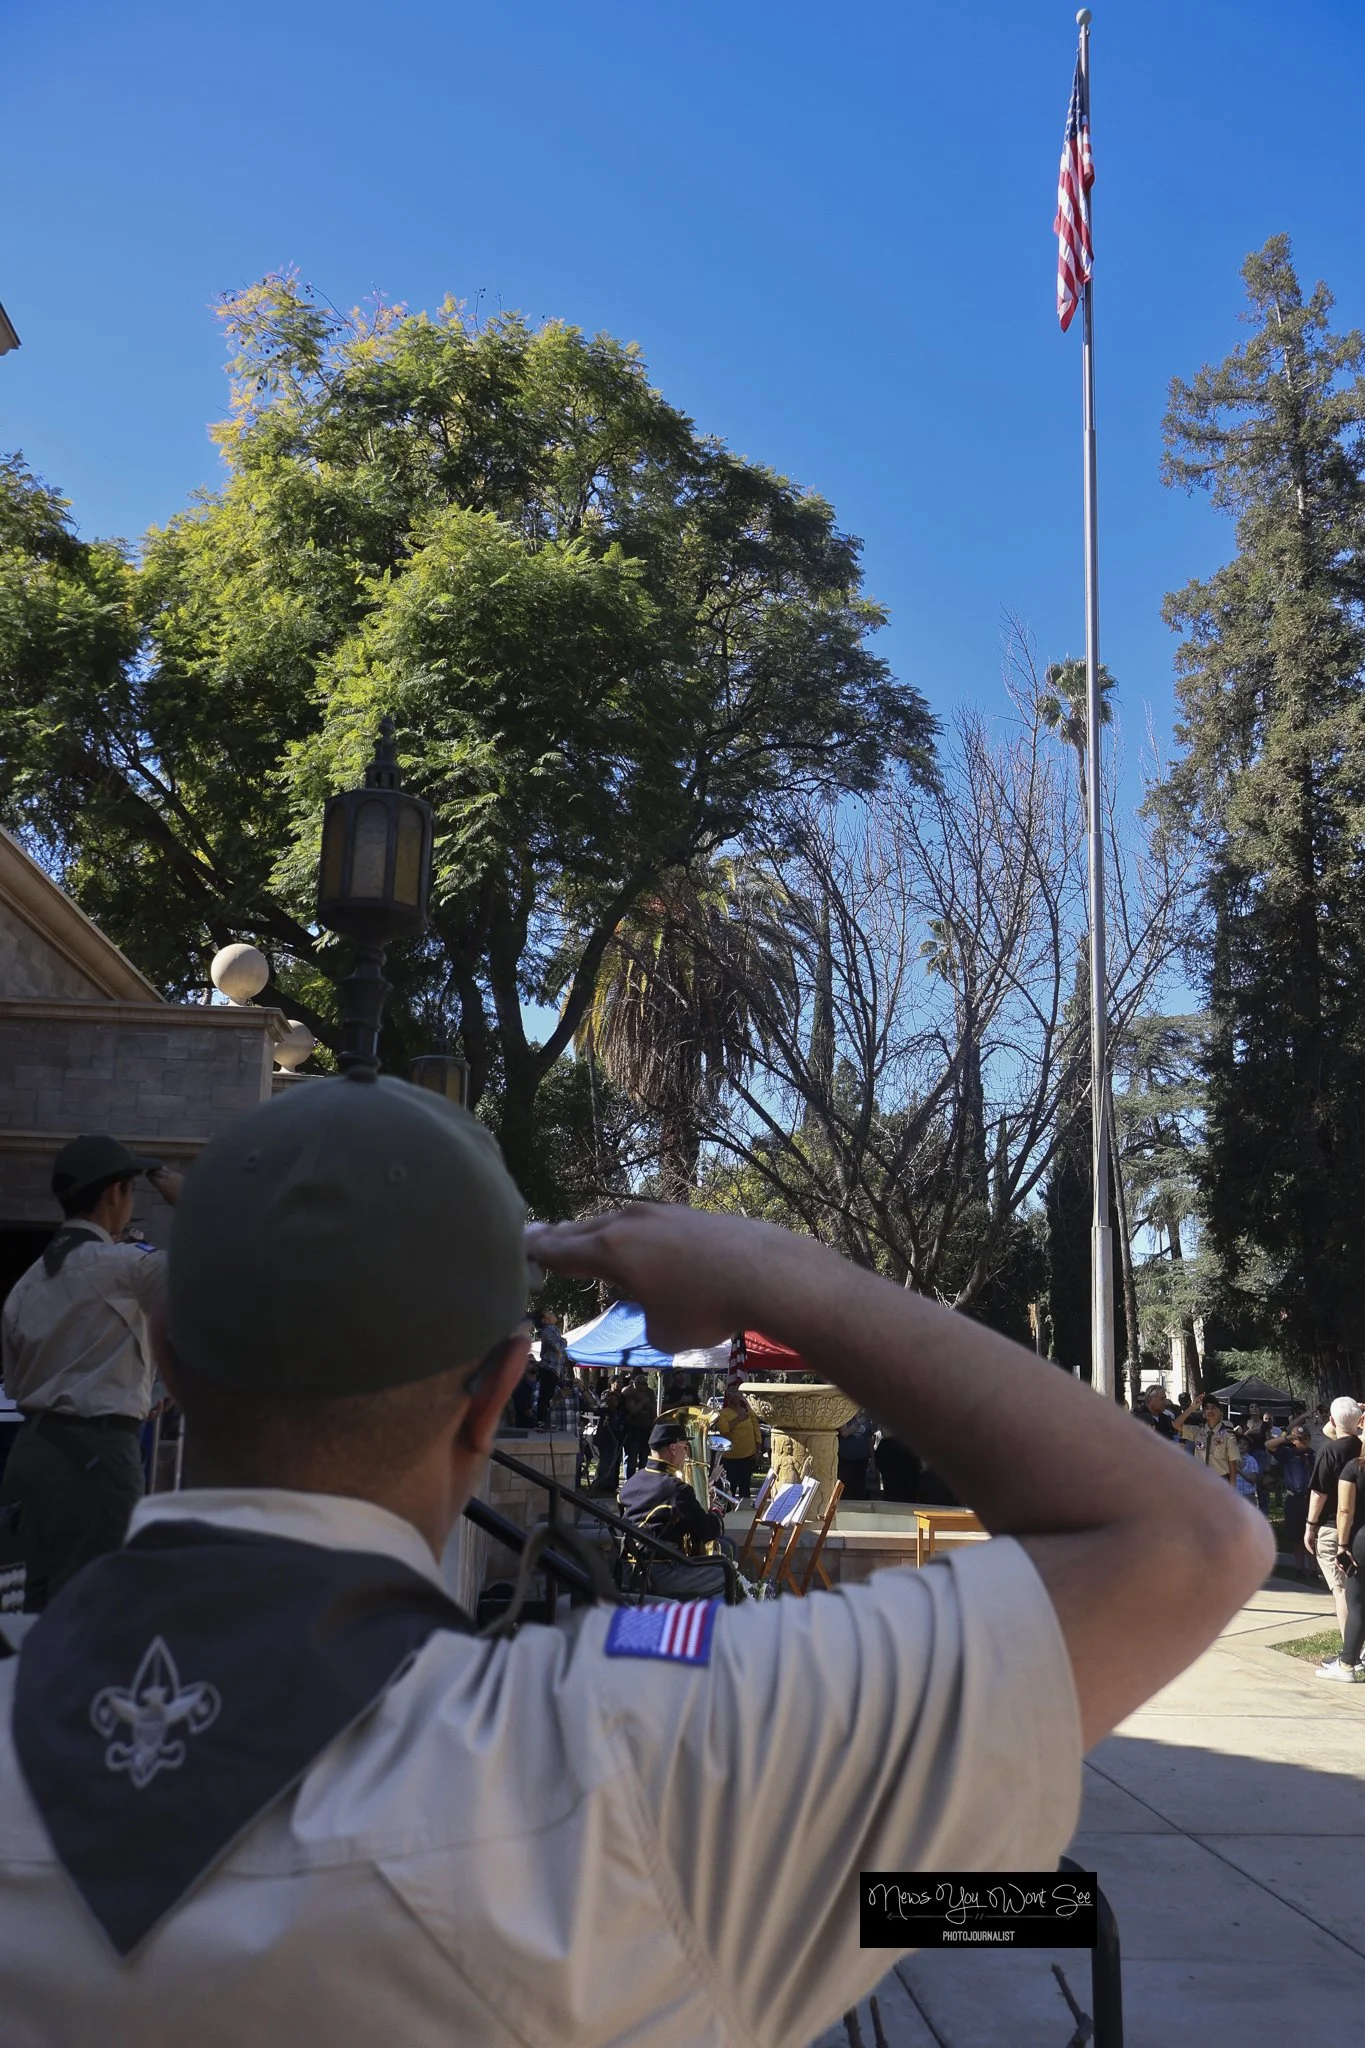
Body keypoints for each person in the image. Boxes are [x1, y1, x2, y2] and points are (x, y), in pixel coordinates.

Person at [0, 1076, 1270, 2044]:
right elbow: (1191, 1540)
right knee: (1052, 1904)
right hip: (863, 1871)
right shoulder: (648, 1757)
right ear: (498, 1394)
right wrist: (779, 1268)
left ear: (161, 1363)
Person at [0, 1135, 182, 1609]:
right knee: (96, 1611)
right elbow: (215, 1275)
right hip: (98, 1453)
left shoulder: (28, 1282)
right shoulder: (123, 1266)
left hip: (30, 1452)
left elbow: (17, 1384)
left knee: (21, 1613)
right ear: (115, 1193)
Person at [618, 1418, 729, 1600]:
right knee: (725, 1573)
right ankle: (710, 1627)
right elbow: (708, 1531)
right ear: (673, 1448)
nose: (686, 1453)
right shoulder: (676, 1488)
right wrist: (715, 1511)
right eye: (685, 1447)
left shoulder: (632, 1481)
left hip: (627, 1568)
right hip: (658, 1572)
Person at [1305, 1397, 1363, 1638]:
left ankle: (1350, 1653)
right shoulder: (1361, 1447)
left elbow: (1319, 1494)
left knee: (1341, 1591)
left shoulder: (1329, 1451)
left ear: (1330, 1419)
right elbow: (1333, 1428)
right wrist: (1356, 1415)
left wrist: (1310, 1526)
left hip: (1332, 1528)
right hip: (1359, 1527)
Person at [1318, 1441, 1365, 1681]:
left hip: (1360, 1538)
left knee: (1357, 1602)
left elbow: (1344, 1510)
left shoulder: (1355, 1468)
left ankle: (1347, 1663)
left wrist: (1342, 1546)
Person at [1269, 1424, 1315, 1576]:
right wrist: (1286, 1438)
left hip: (1310, 1498)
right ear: (1293, 1440)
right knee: (1297, 1536)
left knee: (1312, 1535)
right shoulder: (1287, 1453)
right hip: (1294, 1497)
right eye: (1298, 1439)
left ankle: (1313, 1569)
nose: (1302, 1441)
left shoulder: (1313, 1454)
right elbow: (1268, 1445)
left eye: (1305, 1438)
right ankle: (1299, 1568)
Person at [1176, 1394, 1242, 1486]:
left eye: (1214, 1407)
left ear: (1221, 1412)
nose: (1210, 1410)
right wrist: (1192, 1407)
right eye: (1206, 1408)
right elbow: (1176, 1425)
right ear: (1203, 1413)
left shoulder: (1228, 1436)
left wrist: (1232, 1488)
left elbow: (1232, 1464)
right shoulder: (1198, 1432)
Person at [713, 1383, 761, 1502]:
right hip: (730, 1458)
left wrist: (758, 1449)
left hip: (748, 1456)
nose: (736, 1396)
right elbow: (724, 1430)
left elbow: (756, 1429)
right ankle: (728, 1511)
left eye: (738, 1393)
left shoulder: (748, 1411)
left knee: (745, 1489)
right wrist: (738, 1419)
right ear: (728, 1397)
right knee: (730, 1488)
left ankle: (744, 1513)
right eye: (733, 1393)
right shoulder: (722, 1413)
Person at [619, 1369, 655, 1476]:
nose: (643, 1386)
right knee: (631, 1458)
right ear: (634, 1382)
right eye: (640, 1383)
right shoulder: (629, 1391)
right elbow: (633, 1410)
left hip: (646, 1429)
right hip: (633, 1429)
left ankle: (642, 1480)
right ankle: (629, 1480)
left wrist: (654, 1424)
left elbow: (653, 1410)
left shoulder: (650, 1392)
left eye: (645, 1383)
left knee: (644, 1458)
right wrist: (643, 1402)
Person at [837, 1407, 875, 1500]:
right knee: (845, 1490)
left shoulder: (866, 1418)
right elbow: (844, 1432)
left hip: (861, 1460)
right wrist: (858, 1422)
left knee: (858, 1489)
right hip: (845, 1459)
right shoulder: (844, 1416)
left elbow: (869, 1440)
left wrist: (873, 1461)